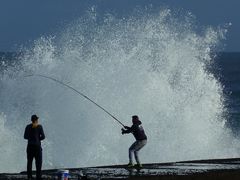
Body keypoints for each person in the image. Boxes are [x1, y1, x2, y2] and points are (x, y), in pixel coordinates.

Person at [24, 115, 45, 180]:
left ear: (31, 120)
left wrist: (31, 138)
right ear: (36, 120)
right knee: (38, 162)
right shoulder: (39, 126)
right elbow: (43, 137)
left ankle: (29, 177)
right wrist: (38, 139)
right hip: (37, 147)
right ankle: (38, 177)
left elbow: (25, 136)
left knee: (29, 162)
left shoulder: (28, 126)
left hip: (30, 146)